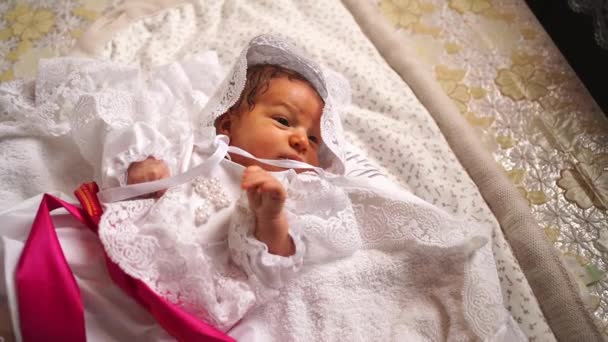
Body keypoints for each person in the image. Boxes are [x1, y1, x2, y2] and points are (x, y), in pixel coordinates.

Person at [0, 34, 527, 341]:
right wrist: (143, 166)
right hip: (110, 245)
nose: (301, 140)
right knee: (36, 256)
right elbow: (133, 146)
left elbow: (271, 265)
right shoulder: (200, 146)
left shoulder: (302, 196)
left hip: (176, 301)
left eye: (315, 137)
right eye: (283, 120)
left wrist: (270, 217)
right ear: (228, 119)